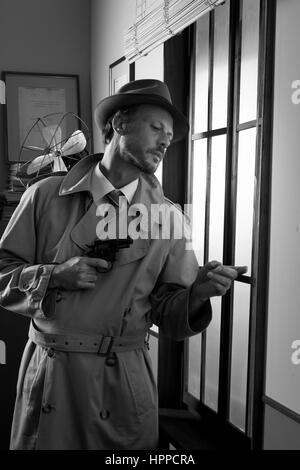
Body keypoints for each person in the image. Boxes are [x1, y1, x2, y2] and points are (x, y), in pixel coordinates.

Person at [0, 79, 247, 450]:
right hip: (53, 376)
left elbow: (169, 311)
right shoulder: (44, 196)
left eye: (170, 134)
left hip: (123, 384)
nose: (166, 141)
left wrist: (199, 292)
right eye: (155, 128)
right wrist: (53, 277)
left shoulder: (170, 218)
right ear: (119, 124)